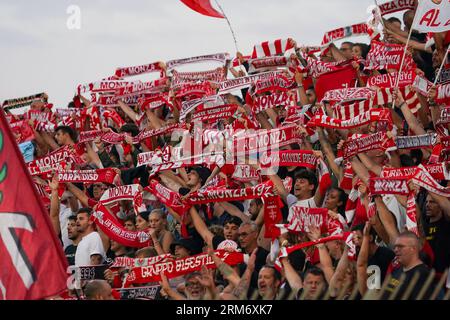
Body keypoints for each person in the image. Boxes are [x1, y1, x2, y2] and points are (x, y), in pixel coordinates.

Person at [382, 231, 436, 300]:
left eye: (400, 246)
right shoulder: (397, 270)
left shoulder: (422, 275)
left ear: (413, 249)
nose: (396, 250)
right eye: (395, 247)